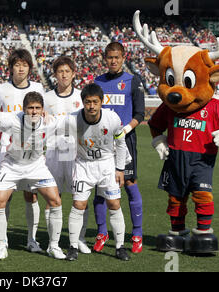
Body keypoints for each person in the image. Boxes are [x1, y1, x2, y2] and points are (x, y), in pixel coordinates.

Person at [0, 91, 65, 260]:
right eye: (30, 108)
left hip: (36, 166)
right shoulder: (11, 120)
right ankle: (1, 245)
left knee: (55, 200)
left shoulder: (49, 122)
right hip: (12, 166)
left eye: (37, 108)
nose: (33, 111)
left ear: (42, 110)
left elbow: (72, 119)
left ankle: (53, 246)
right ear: (23, 109)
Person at [64, 83, 130, 261]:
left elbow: (121, 144)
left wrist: (120, 169)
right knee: (78, 205)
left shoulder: (112, 118)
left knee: (114, 204)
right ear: (82, 103)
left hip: (107, 164)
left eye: (95, 102)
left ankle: (120, 247)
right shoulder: (72, 120)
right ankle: (73, 247)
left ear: (102, 101)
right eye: (87, 102)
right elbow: (56, 135)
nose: (91, 106)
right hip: (83, 165)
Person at [0, 48, 45, 253]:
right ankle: (2, 242)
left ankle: (32, 240)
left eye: (24, 65)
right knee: (5, 195)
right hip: (7, 149)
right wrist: (9, 128)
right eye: (17, 65)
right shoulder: (0, 89)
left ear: (30, 68)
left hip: (32, 150)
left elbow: (43, 116)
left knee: (32, 196)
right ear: (11, 68)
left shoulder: (38, 87)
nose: (20, 69)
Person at [93, 42, 145, 253]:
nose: (113, 61)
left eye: (117, 57)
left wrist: (124, 130)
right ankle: (102, 232)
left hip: (125, 141)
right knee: (100, 186)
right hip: (102, 142)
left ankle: (137, 234)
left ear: (124, 57)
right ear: (104, 58)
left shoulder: (133, 81)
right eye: (109, 57)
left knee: (130, 182)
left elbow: (140, 114)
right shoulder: (97, 82)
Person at [43, 56, 88, 253]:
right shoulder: (46, 98)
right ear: (55, 75)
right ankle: (52, 240)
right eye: (60, 71)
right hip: (53, 152)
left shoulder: (81, 97)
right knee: (53, 196)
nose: (63, 75)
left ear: (73, 73)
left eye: (67, 71)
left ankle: (80, 239)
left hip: (75, 153)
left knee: (80, 197)